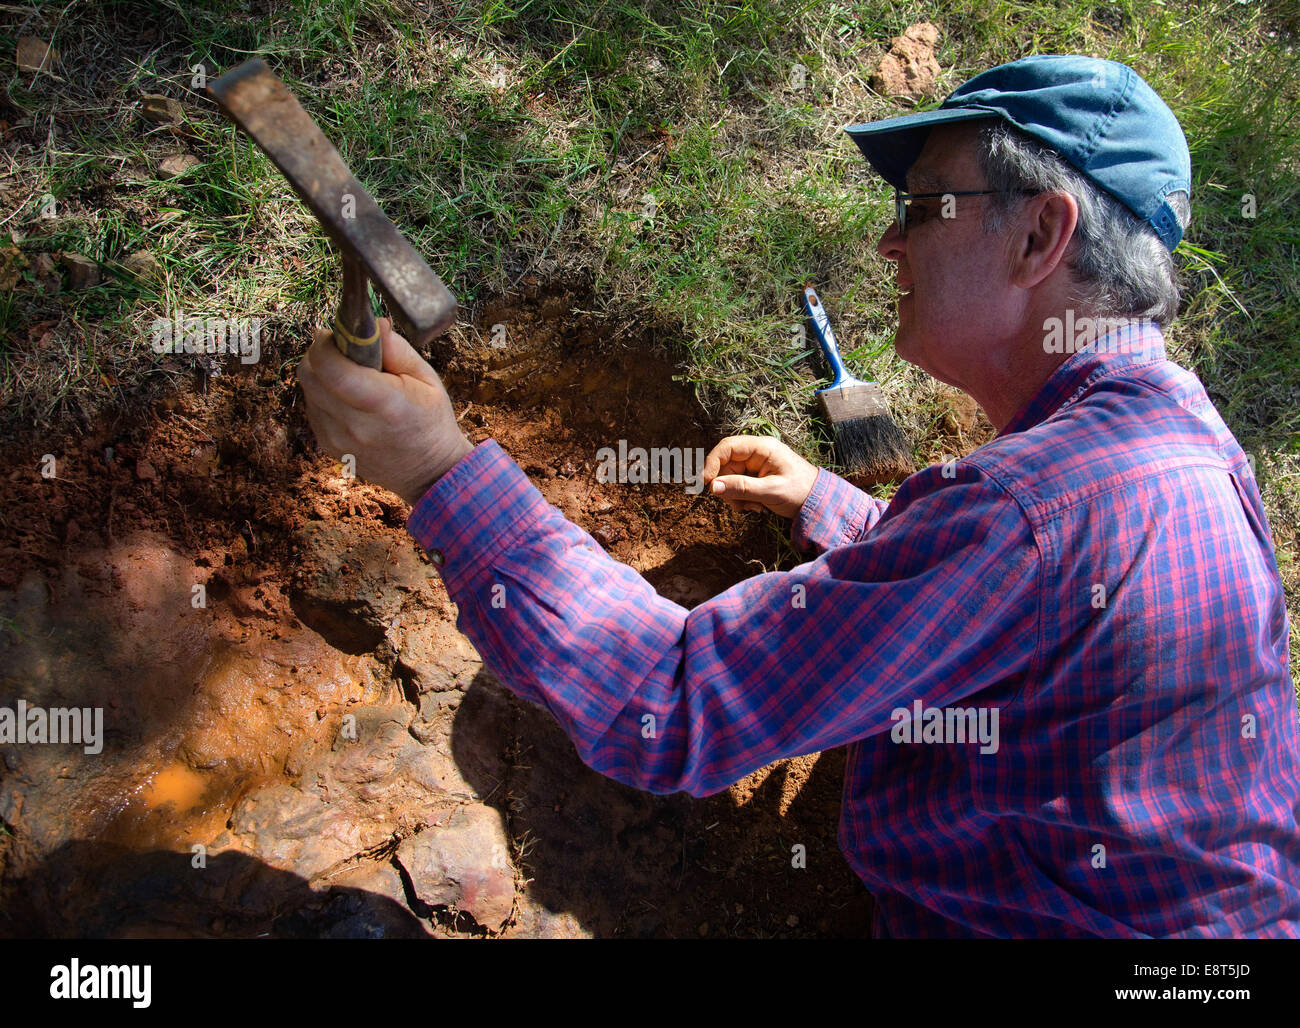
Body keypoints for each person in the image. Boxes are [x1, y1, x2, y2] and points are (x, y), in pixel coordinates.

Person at [297, 55, 1300, 937]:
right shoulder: (1181, 444)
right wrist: (839, 511)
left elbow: (670, 702)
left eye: (921, 206)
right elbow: (1015, 611)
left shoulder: (1026, 515)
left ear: (1041, 232)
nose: (888, 246)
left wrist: (437, 471)